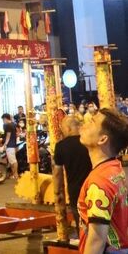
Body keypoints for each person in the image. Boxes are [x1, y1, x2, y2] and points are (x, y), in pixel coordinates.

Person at [77, 107, 128, 253]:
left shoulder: (99, 181)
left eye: (92, 122)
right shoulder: (115, 169)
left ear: (103, 139)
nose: (84, 123)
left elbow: (96, 241)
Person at [53, 116, 92, 236]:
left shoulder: (61, 146)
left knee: (80, 221)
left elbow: (57, 172)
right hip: (94, 186)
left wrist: (57, 191)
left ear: (68, 128)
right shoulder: (89, 141)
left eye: (63, 129)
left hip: (75, 190)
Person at [1, 113, 19, 181]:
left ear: (5, 118)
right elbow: (17, 133)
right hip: (13, 144)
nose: (3, 121)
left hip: (10, 145)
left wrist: (5, 144)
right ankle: (14, 174)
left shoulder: (8, 125)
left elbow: (8, 136)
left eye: (3, 119)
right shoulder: (13, 124)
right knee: (12, 161)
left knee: (13, 161)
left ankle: (15, 174)